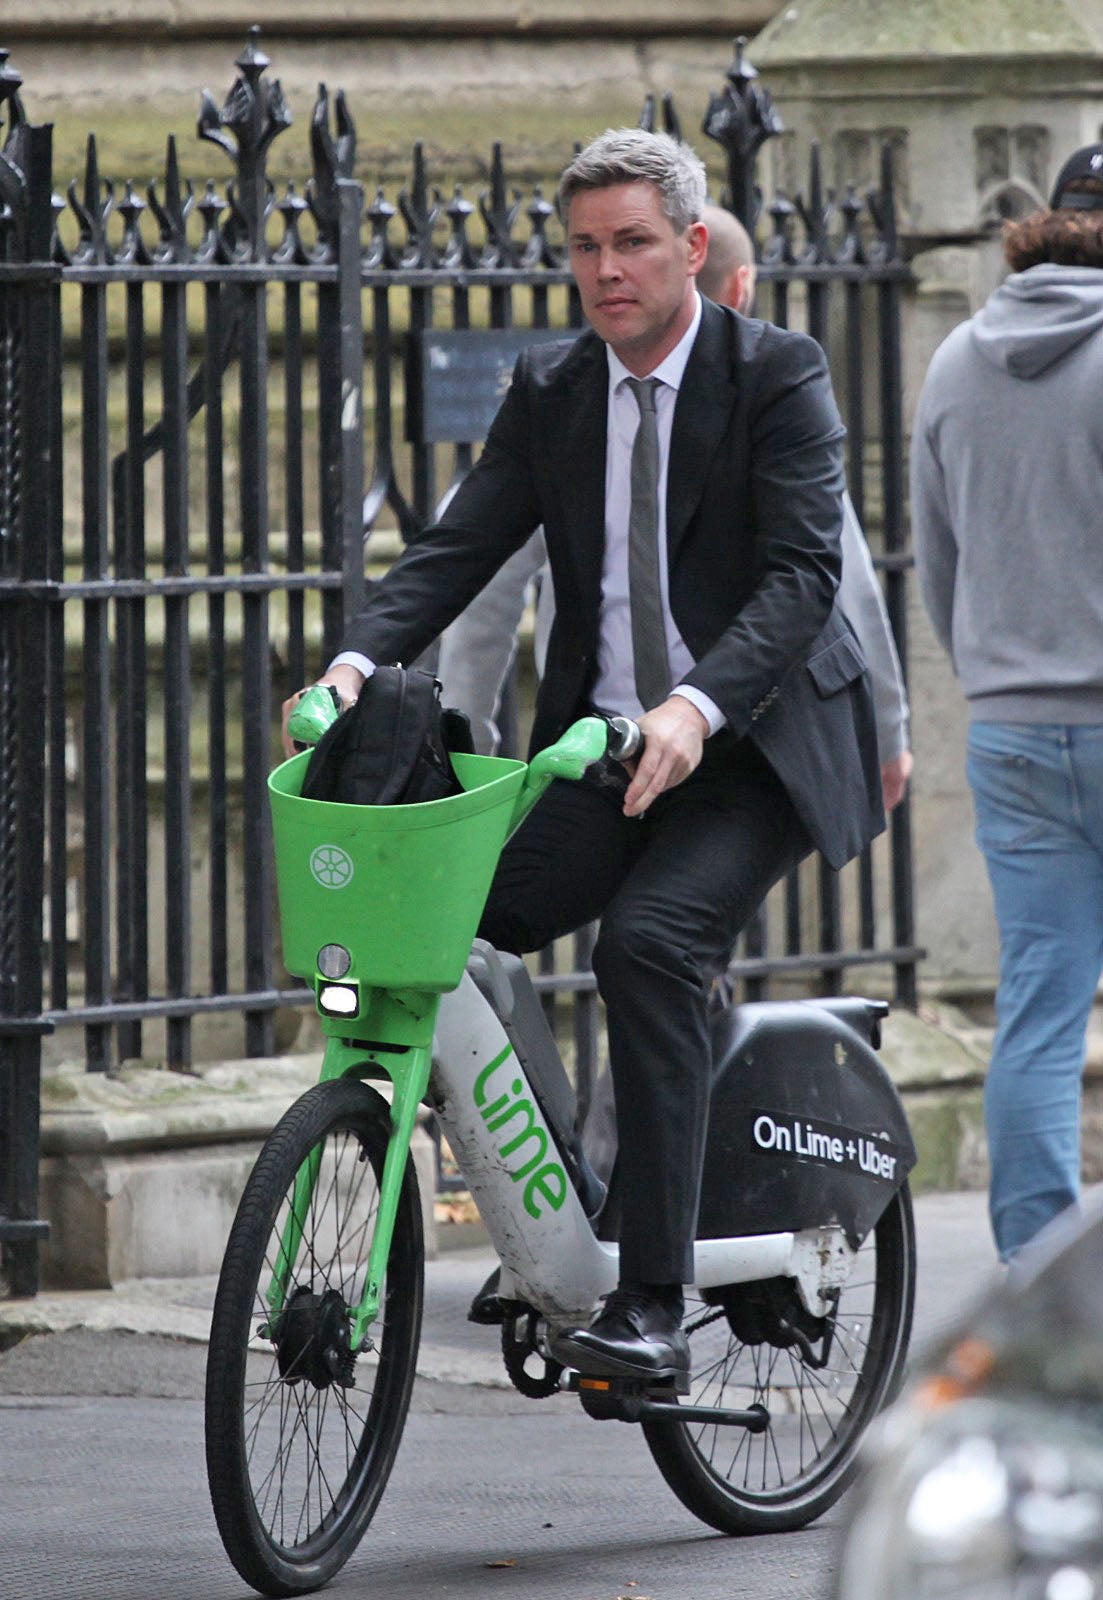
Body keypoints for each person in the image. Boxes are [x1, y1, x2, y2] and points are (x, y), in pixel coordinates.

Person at [283, 129, 883, 1384]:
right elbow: (453, 555)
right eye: (584, 248)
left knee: (648, 947)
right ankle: (567, 1192)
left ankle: (652, 1301)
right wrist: (351, 664)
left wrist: (694, 707)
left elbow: (799, 579)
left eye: (632, 243)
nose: (605, 271)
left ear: (691, 247)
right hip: (602, 751)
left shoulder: (777, 372)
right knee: (449, 921)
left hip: (746, 746)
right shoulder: (553, 391)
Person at [437, 206, 913, 811]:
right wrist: (888, 734)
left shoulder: (770, 398)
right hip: (661, 740)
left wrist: (471, 750)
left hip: (682, 733)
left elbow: (483, 602)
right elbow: (848, 580)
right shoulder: (590, 399)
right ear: (742, 285)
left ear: (692, 258)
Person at [910, 141, 1103, 1263]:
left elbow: (937, 567)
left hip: (1012, 725)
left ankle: (1036, 1280)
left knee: (1036, 1012)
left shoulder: (954, 362)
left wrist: (995, 668)